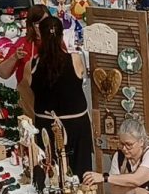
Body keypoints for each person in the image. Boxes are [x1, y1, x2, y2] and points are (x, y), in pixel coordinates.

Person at [14, 16, 92, 175]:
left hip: (46, 125)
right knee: (81, 172)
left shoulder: (31, 65)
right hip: (76, 126)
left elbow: (28, 89)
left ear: (40, 37)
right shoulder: (75, 59)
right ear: (62, 36)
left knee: (50, 171)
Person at [84, 118, 149, 194]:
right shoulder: (119, 157)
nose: (124, 149)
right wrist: (135, 190)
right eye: (122, 144)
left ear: (141, 142)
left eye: (129, 144)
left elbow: (137, 179)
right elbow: (114, 192)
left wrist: (105, 177)